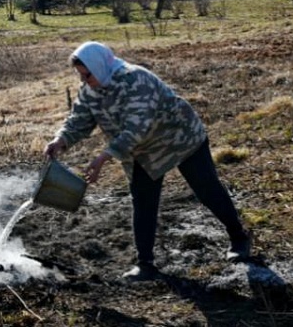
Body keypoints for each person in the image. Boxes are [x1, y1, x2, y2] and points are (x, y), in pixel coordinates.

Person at [43, 41, 251, 281]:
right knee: (143, 202)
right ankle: (145, 264)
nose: (83, 80)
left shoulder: (135, 80)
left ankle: (239, 237)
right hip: (142, 152)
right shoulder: (91, 90)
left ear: (99, 67)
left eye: (86, 74)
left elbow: (137, 127)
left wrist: (104, 157)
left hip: (179, 137)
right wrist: (60, 140)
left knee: (206, 189)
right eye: (80, 75)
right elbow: (78, 120)